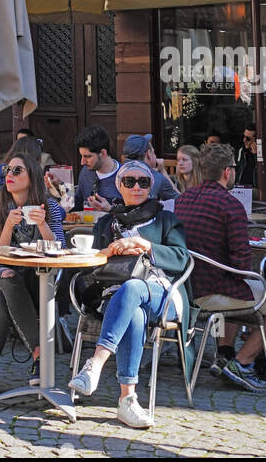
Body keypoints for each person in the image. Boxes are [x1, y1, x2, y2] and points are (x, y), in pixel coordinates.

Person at [68, 158, 191, 429]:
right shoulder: (105, 225)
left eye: (143, 182)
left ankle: (96, 363)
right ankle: (128, 401)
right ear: (118, 185)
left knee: (134, 287)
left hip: (164, 296)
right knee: (133, 313)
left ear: (151, 187)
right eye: (129, 182)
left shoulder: (166, 219)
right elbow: (91, 264)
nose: (137, 187)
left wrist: (146, 246)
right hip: (117, 299)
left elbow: (182, 259)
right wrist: (107, 251)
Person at [175, 143, 266, 392]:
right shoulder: (231, 205)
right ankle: (243, 361)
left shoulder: (183, 200)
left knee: (236, 286)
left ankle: (225, 355)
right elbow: (241, 264)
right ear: (227, 172)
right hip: (211, 291)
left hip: (185, 287)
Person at [0, 153, 65, 397]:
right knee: (6, 276)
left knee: (3, 298)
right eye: (7, 171)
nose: (9, 176)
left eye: (17, 171)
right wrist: (9, 226)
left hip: (31, 281)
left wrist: (42, 225)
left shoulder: (49, 207)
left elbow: (58, 249)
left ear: (32, 176)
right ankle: (39, 353)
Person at [70, 125, 120, 214]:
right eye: (81, 156)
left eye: (87, 156)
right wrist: (60, 187)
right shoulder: (86, 172)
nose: (82, 162)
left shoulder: (126, 176)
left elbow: (133, 215)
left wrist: (111, 210)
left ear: (103, 153)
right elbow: (76, 206)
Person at [121, 133, 179, 201]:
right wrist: (163, 172)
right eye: (154, 153)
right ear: (148, 154)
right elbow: (181, 202)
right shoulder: (157, 177)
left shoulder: (117, 174)